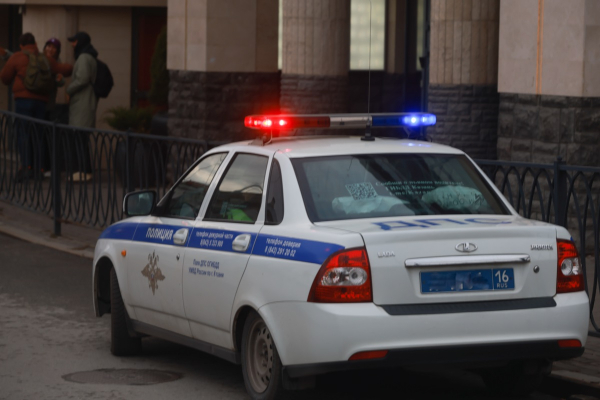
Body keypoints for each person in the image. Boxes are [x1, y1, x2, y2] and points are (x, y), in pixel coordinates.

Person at [0, 33, 72, 182]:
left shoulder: (17, 57)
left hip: (23, 101)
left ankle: (26, 168)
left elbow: (5, 78)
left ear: (21, 45)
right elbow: (66, 69)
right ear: (35, 44)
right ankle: (39, 169)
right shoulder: (45, 59)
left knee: (23, 134)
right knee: (38, 135)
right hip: (41, 103)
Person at [66, 32, 98, 182]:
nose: (73, 44)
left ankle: (83, 171)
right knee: (81, 139)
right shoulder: (88, 56)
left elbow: (83, 78)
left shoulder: (84, 57)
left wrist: (69, 89)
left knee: (79, 139)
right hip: (85, 103)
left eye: (74, 41)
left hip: (82, 104)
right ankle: (84, 171)